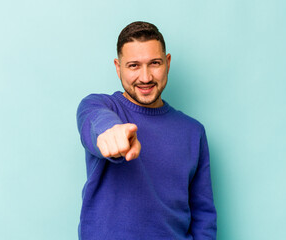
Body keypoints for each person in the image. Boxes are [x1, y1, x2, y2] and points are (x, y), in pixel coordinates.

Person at [76, 21, 217, 240]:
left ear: (167, 63)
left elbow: (203, 216)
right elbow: (95, 123)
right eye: (133, 65)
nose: (145, 77)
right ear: (118, 66)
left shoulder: (193, 132)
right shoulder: (99, 107)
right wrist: (111, 134)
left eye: (154, 63)